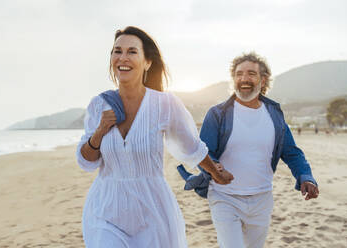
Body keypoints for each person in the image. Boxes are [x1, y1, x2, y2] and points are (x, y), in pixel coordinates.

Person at [75, 26, 233, 248]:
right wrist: (100, 131)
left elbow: (190, 146)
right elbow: (87, 161)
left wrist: (214, 171)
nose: (123, 57)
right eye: (117, 51)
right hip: (106, 208)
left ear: (147, 62)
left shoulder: (164, 104)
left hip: (152, 208)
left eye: (132, 51)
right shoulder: (98, 104)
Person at [178, 52, 319, 248]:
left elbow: (292, 152)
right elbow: (204, 151)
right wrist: (216, 168)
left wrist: (306, 176)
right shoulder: (217, 114)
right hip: (224, 197)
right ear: (233, 79)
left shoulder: (274, 115)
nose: (244, 79)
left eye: (251, 74)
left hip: (262, 198)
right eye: (239, 74)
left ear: (263, 80)